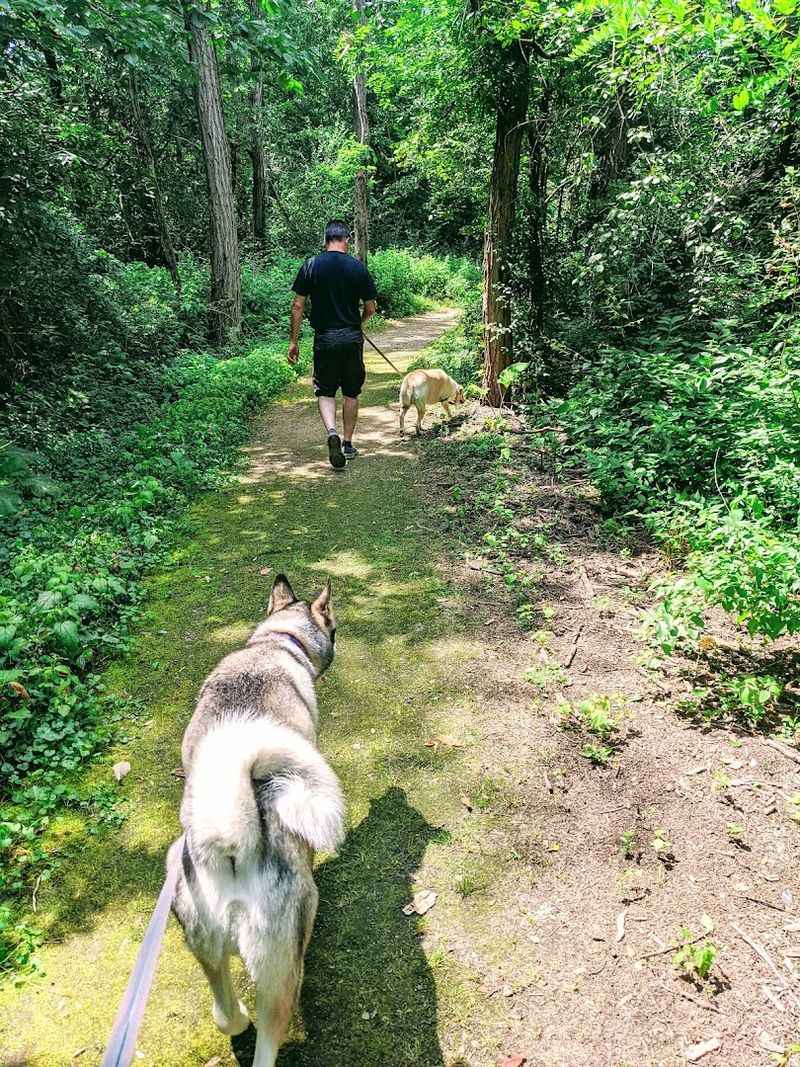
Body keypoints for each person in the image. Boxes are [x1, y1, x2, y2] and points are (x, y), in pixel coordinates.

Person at [288, 220, 378, 469]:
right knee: (351, 392)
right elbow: (371, 308)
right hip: (351, 338)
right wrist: (358, 323)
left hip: (324, 338)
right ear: (346, 239)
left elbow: (297, 306)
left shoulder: (312, 265)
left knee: (325, 391)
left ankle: (331, 432)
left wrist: (293, 342)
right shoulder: (358, 267)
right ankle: (348, 444)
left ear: (326, 239)